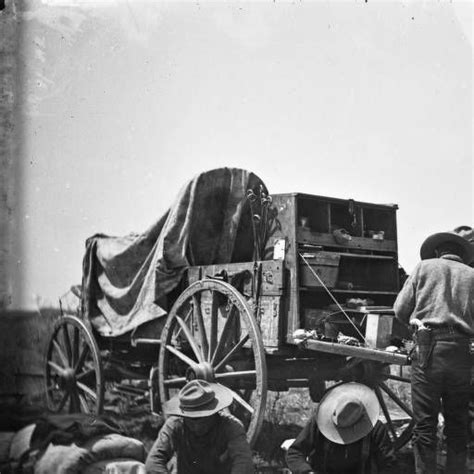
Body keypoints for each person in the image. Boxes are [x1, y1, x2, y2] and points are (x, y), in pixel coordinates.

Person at [394, 230, 474, 474]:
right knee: (457, 424)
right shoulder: (472, 275)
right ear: (461, 253)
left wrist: (415, 324)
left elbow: (399, 309)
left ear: (438, 251)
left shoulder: (423, 268)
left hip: (429, 349)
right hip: (461, 352)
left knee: (425, 425)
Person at [145, 379, 253, 474]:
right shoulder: (174, 425)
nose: (196, 426)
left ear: (214, 412)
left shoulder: (231, 426)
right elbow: (153, 462)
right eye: (191, 419)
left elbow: (243, 463)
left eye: (202, 418)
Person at [286, 382, 396, 474]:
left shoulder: (376, 430)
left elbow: (390, 464)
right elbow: (294, 453)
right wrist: (307, 472)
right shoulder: (318, 424)